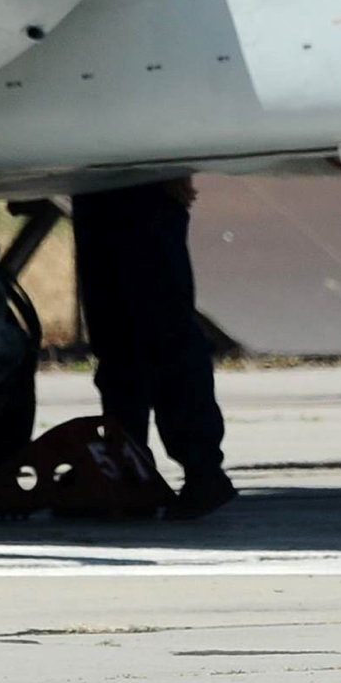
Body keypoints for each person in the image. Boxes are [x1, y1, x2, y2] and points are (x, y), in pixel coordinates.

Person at [72, 180, 237, 520]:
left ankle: (200, 470)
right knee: (119, 340)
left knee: (164, 335)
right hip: (100, 183)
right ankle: (132, 472)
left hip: (141, 182)